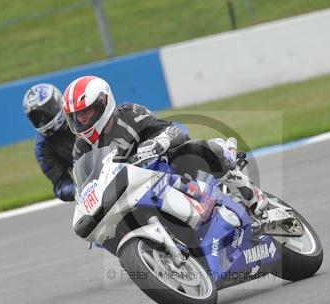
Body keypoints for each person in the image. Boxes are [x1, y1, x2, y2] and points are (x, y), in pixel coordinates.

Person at [62, 75, 267, 215]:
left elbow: (175, 130)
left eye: (85, 112)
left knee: (198, 148)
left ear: (102, 104)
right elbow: (86, 183)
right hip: (131, 190)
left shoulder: (130, 114)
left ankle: (251, 195)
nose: (81, 120)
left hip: (165, 168)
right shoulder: (81, 147)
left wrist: (154, 145)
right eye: (76, 117)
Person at [23, 83, 76, 202]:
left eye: (46, 112)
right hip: (91, 183)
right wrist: (75, 191)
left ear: (57, 103)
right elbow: (61, 184)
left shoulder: (81, 113)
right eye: (37, 117)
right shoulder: (43, 148)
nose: (43, 120)